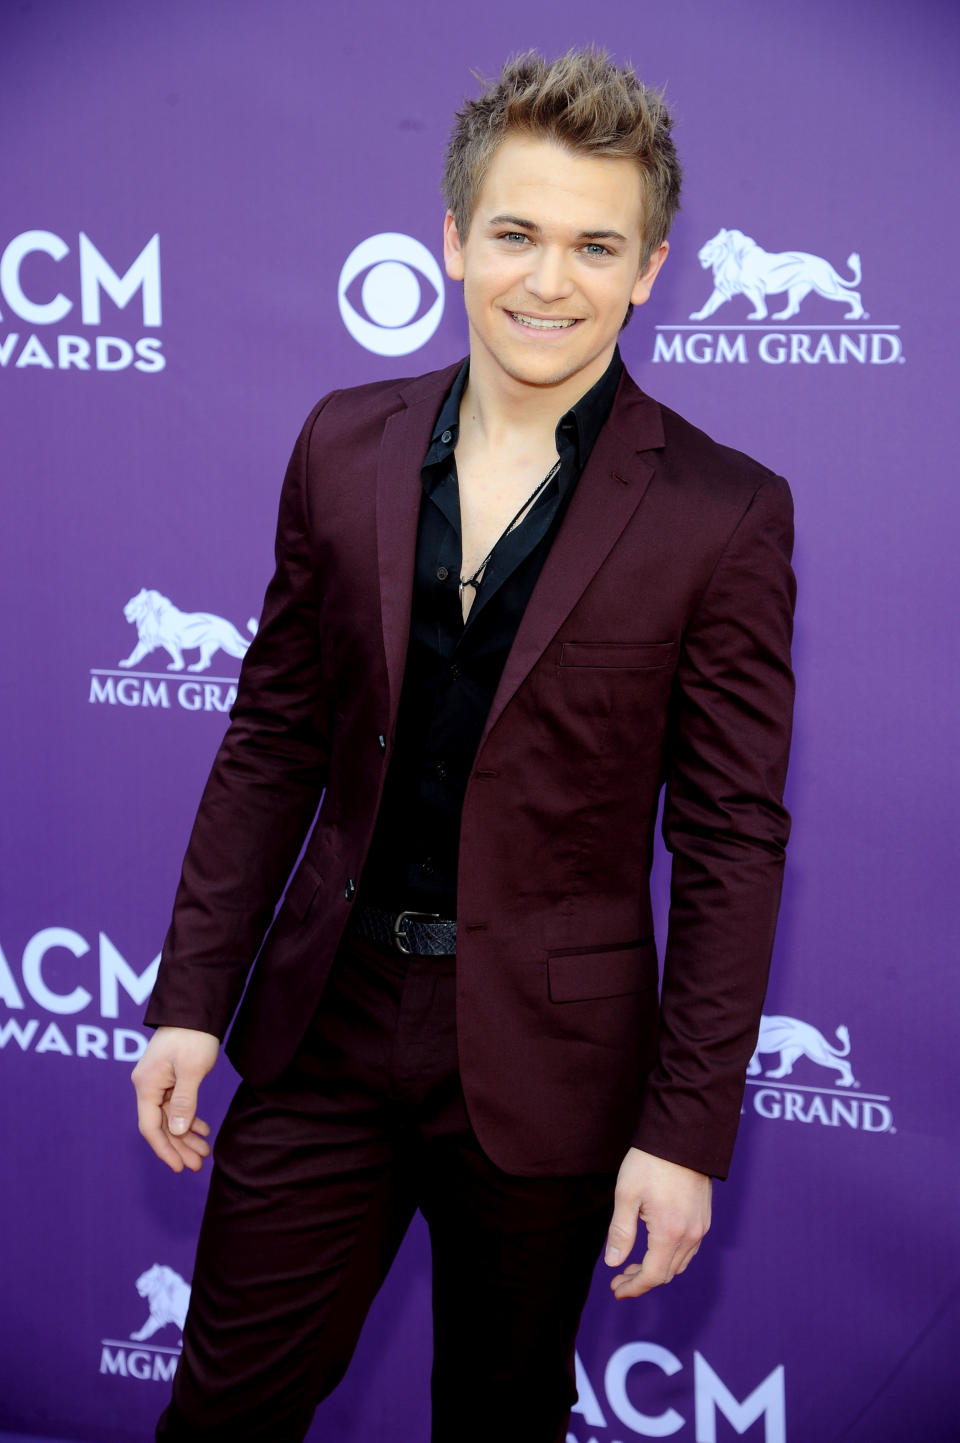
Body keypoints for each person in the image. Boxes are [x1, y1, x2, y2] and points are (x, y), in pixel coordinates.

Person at [133, 47, 795, 1443]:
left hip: (554, 1062)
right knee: (223, 1407)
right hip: (325, 1021)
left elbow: (731, 842)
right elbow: (270, 737)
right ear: (452, 239)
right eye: (516, 234)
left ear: (650, 268)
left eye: (594, 245)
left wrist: (683, 1133)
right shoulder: (343, 443)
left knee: (499, 1417)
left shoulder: (724, 515)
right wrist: (192, 992)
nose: (548, 280)